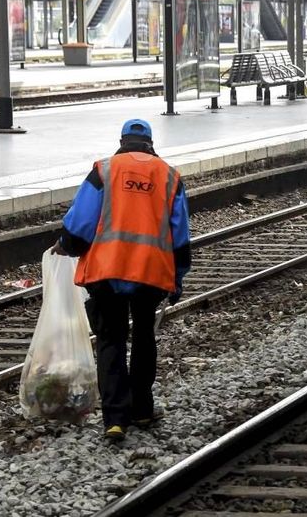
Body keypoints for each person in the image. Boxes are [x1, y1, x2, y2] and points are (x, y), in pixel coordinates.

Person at [52, 118, 191, 442]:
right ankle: (142, 410)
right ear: (150, 144)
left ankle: (115, 419)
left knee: (110, 340)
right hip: (151, 273)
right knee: (144, 336)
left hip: (107, 272)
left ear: (122, 141)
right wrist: (178, 278)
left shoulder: (104, 170)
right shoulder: (169, 176)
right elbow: (180, 233)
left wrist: (67, 246)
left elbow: (81, 221)